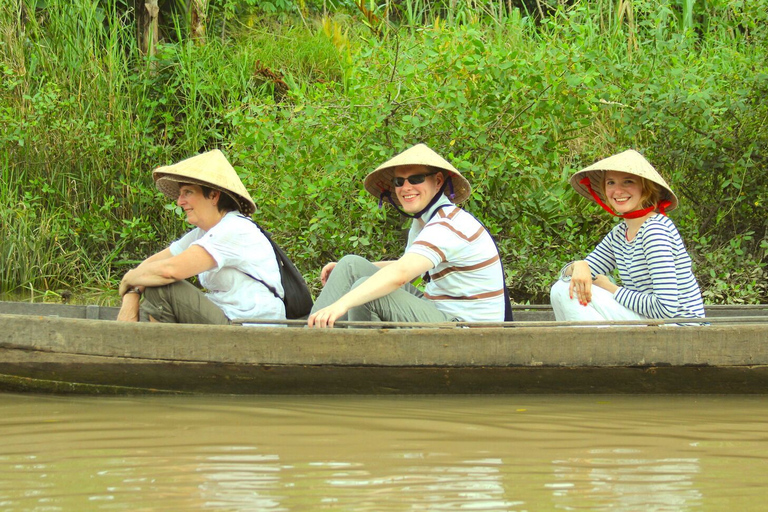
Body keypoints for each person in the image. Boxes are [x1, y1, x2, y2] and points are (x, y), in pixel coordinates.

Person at [308, 143, 508, 328]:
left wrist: (341, 304)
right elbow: (408, 266)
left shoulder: (447, 224)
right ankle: (308, 341)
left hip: (469, 332)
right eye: (399, 181)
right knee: (350, 264)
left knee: (366, 291)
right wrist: (351, 270)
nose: (406, 187)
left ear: (437, 181)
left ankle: (350, 358)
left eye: (416, 179)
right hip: (439, 311)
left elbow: (401, 275)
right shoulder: (423, 222)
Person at [116, 149, 285, 324]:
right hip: (230, 318)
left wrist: (129, 279)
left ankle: (160, 351)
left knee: (161, 289)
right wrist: (132, 294)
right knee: (151, 294)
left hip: (250, 328)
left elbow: (168, 271)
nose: (179, 202)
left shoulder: (234, 228)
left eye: (187, 193)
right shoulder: (204, 232)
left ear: (213, 196)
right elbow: (152, 265)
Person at [550, 149, 705, 322]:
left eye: (627, 182)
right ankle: (591, 346)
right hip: (650, 321)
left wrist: (611, 288)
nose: (617, 191)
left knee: (567, 291)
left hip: (680, 326)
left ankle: (594, 348)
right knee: (561, 289)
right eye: (610, 183)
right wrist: (578, 266)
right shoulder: (619, 234)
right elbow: (575, 275)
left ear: (645, 188)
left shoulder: (655, 231)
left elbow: (665, 308)